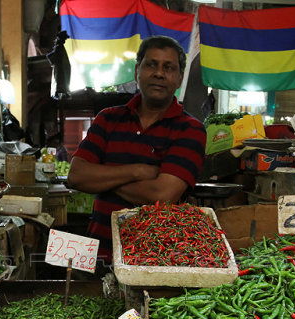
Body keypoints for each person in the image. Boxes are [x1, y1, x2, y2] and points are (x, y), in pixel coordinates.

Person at [66, 35, 206, 263]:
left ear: (179, 79)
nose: (159, 73)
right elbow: (76, 176)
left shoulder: (190, 130)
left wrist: (105, 176)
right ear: (136, 72)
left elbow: (163, 196)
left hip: (154, 259)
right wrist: (137, 171)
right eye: (151, 64)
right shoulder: (107, 119)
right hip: (98, 253)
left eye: (168, 68)